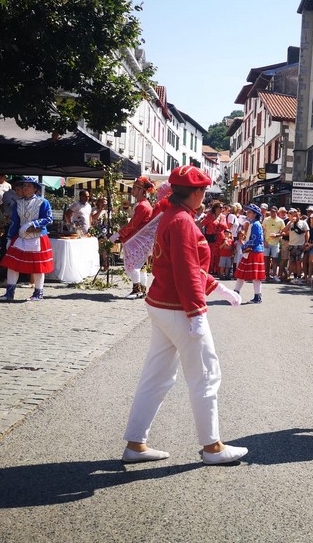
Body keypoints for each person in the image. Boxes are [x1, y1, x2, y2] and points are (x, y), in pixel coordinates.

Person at [122, 165, 247, 465]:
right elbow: (188, 271)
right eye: (202, 191)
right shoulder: (183, 223)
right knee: (206, 374)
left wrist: (219, 289)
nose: (203, 195)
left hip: (162, 304)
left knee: (157, 376)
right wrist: (197, 313)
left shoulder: (171, 217)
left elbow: (188, 267)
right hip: (178, 308)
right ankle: (212, 447)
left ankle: (136, 443)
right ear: (196, 193)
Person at [0, 177, 54, 302]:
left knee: (38, 267)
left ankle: (38, 292)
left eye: (29, 186)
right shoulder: (18, 203)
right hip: (21, 237)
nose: (25, 188)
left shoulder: (43, 202)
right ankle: (9, 292)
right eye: (24, 186)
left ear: (35, 189)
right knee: (12, 265)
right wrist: (9, 238)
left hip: (37, 237)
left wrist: (32, 224)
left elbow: (49, 219)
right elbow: (14, 222)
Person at [109, 176, 155, 299]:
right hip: (143, 239)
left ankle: (137, 290)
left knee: (134, 264)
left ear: (142, 191)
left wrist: (118, 235)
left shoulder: (142, 206)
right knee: (141, 265)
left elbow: (133, 224)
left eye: (135, 188)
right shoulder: (145, 204)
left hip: (138, 239)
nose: (132, 190)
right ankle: (143, 290)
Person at [233, 204, 266, 303]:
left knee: (255, 276)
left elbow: (256, 240)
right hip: (250, 251)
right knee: (242, 273)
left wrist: (244, 246)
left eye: (250, 212)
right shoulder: (252, 223)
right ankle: (235, 293)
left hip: (254, 251)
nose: (247, 213)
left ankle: (257, 296)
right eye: (247, 211)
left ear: (255, 214)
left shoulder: (255, 224)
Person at [201, 200, 227, 277]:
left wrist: (226, 238)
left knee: (219, 255)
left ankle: (217, 270)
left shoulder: (223, 217)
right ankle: (209, 270)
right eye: (220, 207)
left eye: (222, 208)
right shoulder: (209, 216)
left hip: (220, 238)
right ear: (215, 208)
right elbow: (203, 224)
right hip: (211, 237)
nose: (222, 209)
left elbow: (226, 228)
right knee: (211, 254)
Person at [283, 208, 309, 283]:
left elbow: (307, 233)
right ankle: (294, 277)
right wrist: (291, 222)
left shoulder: (303, 223)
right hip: (292, 245)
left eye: (296, 215)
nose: (295, 217)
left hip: (300, 245)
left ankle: (299, 277)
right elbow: (284, 230)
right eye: (294, 215)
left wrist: (306, 243)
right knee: (292, 262)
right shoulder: (290, 223)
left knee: (298, 262)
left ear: (299, 216)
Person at [261, 206, 284, 282]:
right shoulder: (266, 220)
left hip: (275, 243)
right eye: (271, 211)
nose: (272, 213)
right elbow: (263, 231)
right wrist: (264, 241)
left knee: (274, 260)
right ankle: (265, 275)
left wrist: (276, 235)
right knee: (266, 259)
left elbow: (283, 231)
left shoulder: (280, 221)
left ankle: (274, 275)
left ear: (277, 212)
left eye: (274, 211)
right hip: (267, 242)